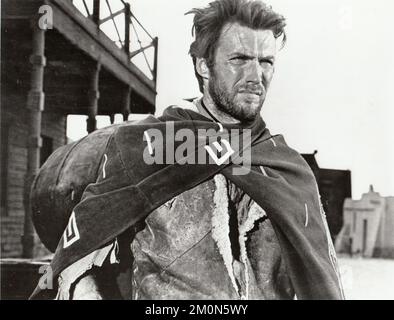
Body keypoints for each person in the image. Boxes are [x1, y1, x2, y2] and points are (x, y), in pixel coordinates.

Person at [31, 0, 344, 300]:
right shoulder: (147, 148)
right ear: (203, 66)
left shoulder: (285, 167)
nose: (255, 76)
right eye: (239, 59)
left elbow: (320, 278)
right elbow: (77, 261)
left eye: (266, 61)